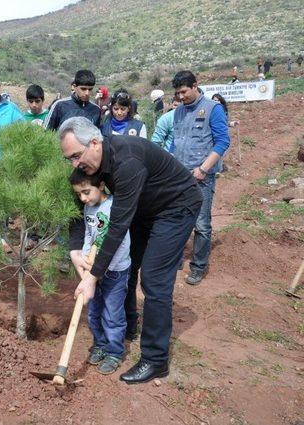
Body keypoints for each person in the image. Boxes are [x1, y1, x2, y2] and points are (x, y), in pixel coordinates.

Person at [59, 116, 202, 384]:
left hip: (175, 206)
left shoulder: (127, 162)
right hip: (144, 207)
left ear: (94, 143)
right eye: (69, 158)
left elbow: (117, 225)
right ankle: (127, 327)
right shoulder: (90, 165)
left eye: (76, 156)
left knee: (154, 278)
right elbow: (76, 209)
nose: (75, 164)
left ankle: (155, 359)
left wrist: (92, 278)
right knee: (127, 264)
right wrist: (75, 249)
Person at [69, 168, 130, 375]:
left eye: (86, 192)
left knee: (112, 314)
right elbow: (89, 235)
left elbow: (120, 244)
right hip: (93, 269)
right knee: (94, 311)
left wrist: (98, 269)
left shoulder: (115, 208)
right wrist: (86, 259)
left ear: (101, 185)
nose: (83, 198)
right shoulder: (89, 208)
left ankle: (114, 351)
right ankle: (101, 344)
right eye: (79, 194)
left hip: (115, 271)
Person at [172, 71, 230, 286]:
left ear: (195, 85)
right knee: (177, 219)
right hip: (180, 177)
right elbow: (175, 144)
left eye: (184, 92)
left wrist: (204, 169)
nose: (180, 97)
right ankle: (176, 259)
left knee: (202, 224)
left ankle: (198, 266)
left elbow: (223, 142)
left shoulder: (212, 109)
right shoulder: (178, 112)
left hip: (202, 177)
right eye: (177, 93)